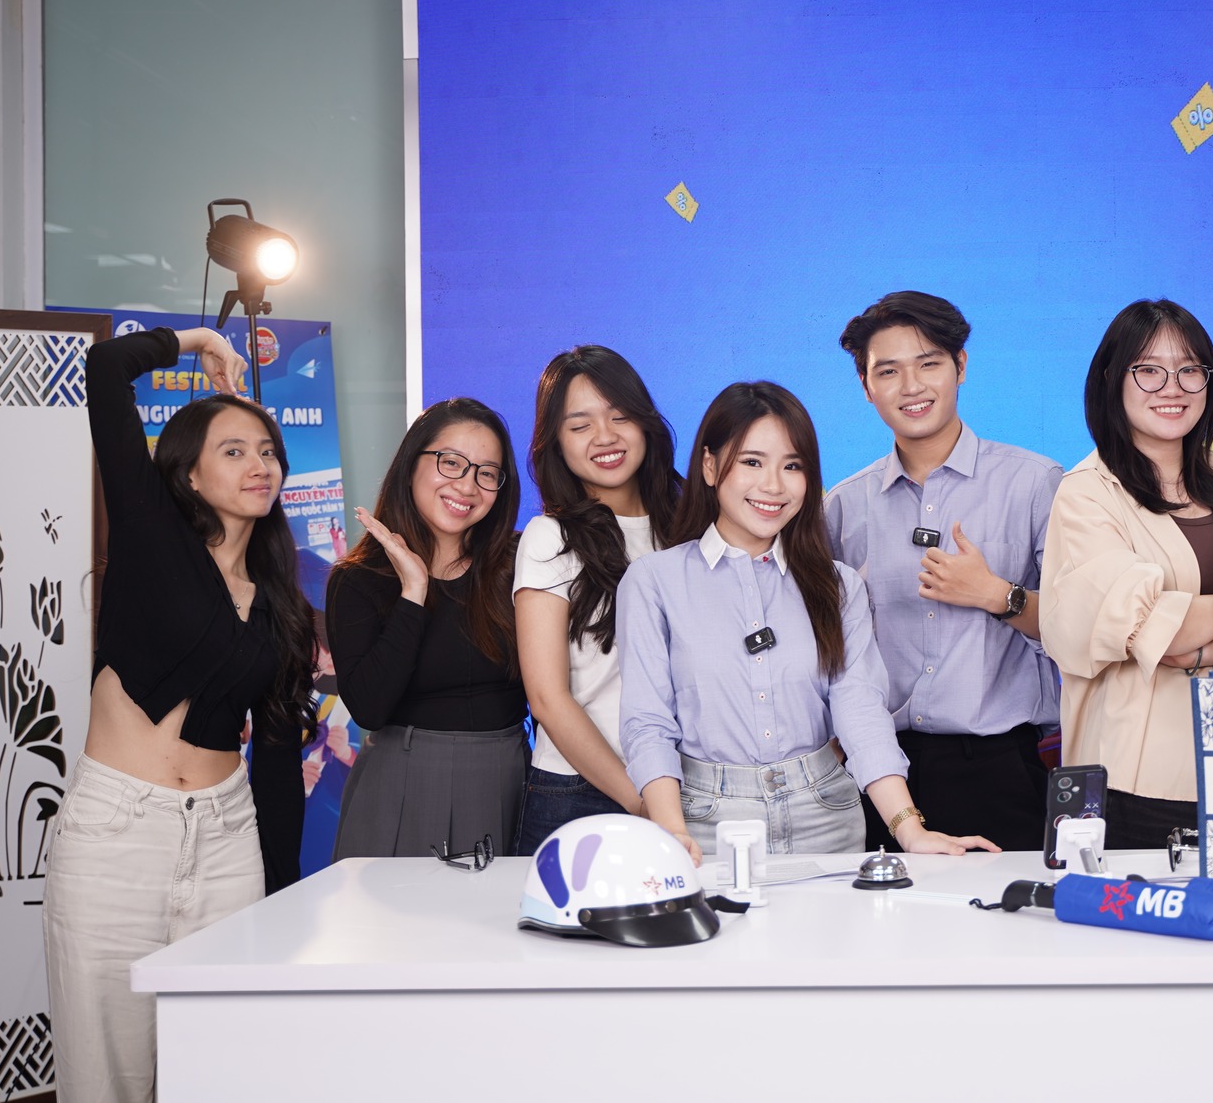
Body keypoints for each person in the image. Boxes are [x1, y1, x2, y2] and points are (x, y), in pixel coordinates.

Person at [45, 326, 314, 1103]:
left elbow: (275, 756)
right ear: (189, 473)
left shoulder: (280, 602)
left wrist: (284, 892)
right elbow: (106, 367)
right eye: (234, 450)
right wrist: (197, 341)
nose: (260, 464)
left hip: (228, 837)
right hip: (117, 833)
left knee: (223, 1072)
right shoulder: (149, 532)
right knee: (107, 1077)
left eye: (268, 451)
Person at [617, 381, 999, 861]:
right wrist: (672, 832)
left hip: (826, 813)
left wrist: (910, 831)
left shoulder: (837, 585)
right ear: (710, 466)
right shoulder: (654, 581)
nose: (773, 486)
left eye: (792, 466)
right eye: (752, 462)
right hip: (704, 822)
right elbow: (647, 723)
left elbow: (860, 711)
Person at [826, 292, 1063, 851]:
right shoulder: (841, 508)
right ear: (866, 386)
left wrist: (996, 595)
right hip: (884, 773)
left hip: (1004, 767)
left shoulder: (1035, 484)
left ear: (960, 366)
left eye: (929, 363)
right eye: (888, 371)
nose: (911, 386)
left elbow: (1078, 631)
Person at [1040, 300, 1213, 851]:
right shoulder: (1086, 494)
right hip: (1138, 779)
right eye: (1149, 370)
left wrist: (1199, 642)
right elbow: (1160, 634)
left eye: (1190, 369)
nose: (1172, 387)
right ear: (1111, 379)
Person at [327, 398, 527, 859]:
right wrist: (413, 592)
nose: (467, 486)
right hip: (401, 779)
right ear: (411, 463)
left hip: (509, 776)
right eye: (451, 463)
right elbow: (369, 708)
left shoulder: (521, 564)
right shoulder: (358, 579)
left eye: (487, 473)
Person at [512, 345, 683, 854]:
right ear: (556, 442)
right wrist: (638, 799)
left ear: (646, 424)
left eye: (620, 416)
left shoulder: (689, 529)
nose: (605, 436)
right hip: (580, 790)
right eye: (580, 425)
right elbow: (547, 697)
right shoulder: (550, 538)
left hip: (681, 783)